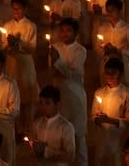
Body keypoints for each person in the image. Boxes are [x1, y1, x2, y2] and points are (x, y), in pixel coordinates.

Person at [50, 18, 87, 165]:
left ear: (76, 33)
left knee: (78, 133)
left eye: (69, 30)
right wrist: (58, 67)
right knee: (60, 133)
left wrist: (58, 62)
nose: (64, 34)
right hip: (59, 94)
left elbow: (71, 73)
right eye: (62, 30)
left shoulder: (80, 50)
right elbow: (52, 72)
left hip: (75, 95)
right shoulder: (54, 47)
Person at [0, 0, 38, 138]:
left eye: (19, 8)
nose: (16, 11)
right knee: (14, 96)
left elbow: (32, 48)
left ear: (25, 9)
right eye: (14, 8)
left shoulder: (30, 26)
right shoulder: (7, 25)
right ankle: (17, 129)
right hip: (12, 63)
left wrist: (19, 43)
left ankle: (28, 129)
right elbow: (3, 46)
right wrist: (9, 44)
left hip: (25, 63)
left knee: (27, 97)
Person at [91, 58, 129, 166]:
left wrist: (109, 120)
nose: (110, 77)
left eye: (113, 73)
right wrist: (97, 119)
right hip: (102, 139)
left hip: (119, 140)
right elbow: (93, 116)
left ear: (121, 74)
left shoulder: (128, 95)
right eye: (107, 73)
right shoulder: (99, 93)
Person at [96, 0, 129, 87]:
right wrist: (104, 50)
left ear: (119, 11)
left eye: (112, 11)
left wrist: (118, 51)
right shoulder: (102, 28)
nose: (109, 14)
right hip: (106, 65)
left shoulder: (128, 29)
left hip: (122, 66)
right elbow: (97, 49)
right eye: (108, 11)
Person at [32, 86, 76, 165]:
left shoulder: (66, 127)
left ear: (57, 104)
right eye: (41, 103)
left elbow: (70, 156)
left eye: (47, 103)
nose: (43, 107)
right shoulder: (37, 124)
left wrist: (47, 152)